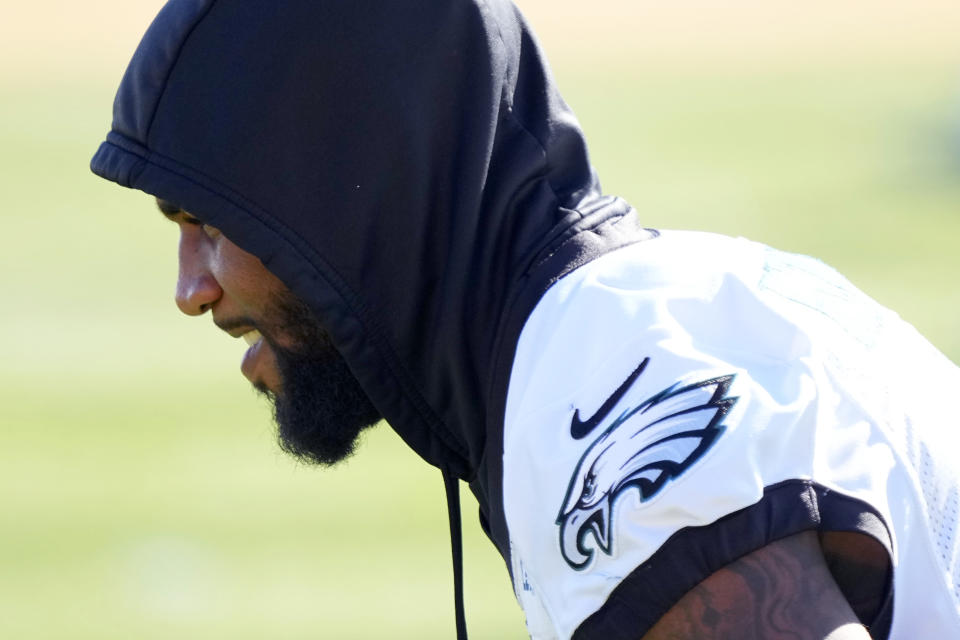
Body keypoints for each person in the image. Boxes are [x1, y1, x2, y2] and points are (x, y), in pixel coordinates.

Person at [90, 1, 960, 638]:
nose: (190, 289)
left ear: (337, 201)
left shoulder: (601, 412)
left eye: (209, 222)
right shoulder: (665, 303)